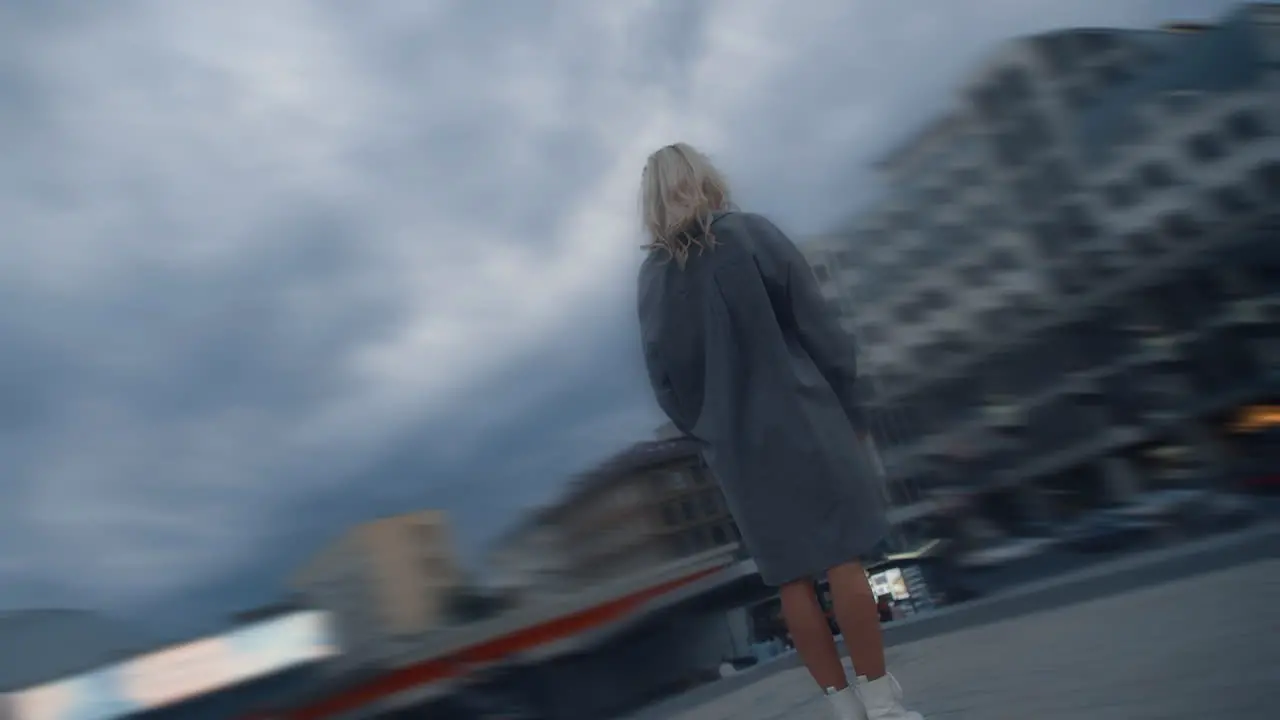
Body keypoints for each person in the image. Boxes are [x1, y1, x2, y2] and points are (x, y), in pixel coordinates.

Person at [636, 143, 925, 720]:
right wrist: (849, 408)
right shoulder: (750, 235)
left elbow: (663, 382)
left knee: (791, 580)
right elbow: (820, 328)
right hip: (806, 417)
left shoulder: (653, 281)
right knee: (844, 560)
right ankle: (883, 708)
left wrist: (711, 434)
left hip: (736, 449)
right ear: (706, 178)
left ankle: (843, 708)